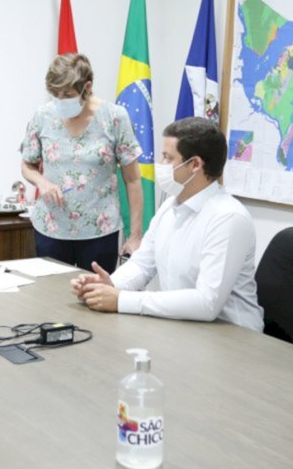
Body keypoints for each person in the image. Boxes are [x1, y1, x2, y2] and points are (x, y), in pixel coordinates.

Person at [71, 117, 263, 330]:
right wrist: (109, 286)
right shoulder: (170, 206)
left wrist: (121, 300)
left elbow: (206, 303)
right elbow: (143, 264)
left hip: (233, 336)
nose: (159, 165)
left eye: (167, 158)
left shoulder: (228, 218)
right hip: (184, 326)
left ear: (195, 164)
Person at [20, 53, 143, 274]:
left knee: (95, 299)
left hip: (99, 230)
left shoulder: (114, 117)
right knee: (51, 300)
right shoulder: (43, 116)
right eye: (55, 94)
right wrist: (42, 183)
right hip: (51, 228)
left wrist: (135, 236)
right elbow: (27, 165)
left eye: (66, 94)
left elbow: (133, 179)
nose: (59, 99)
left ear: (87, 87)